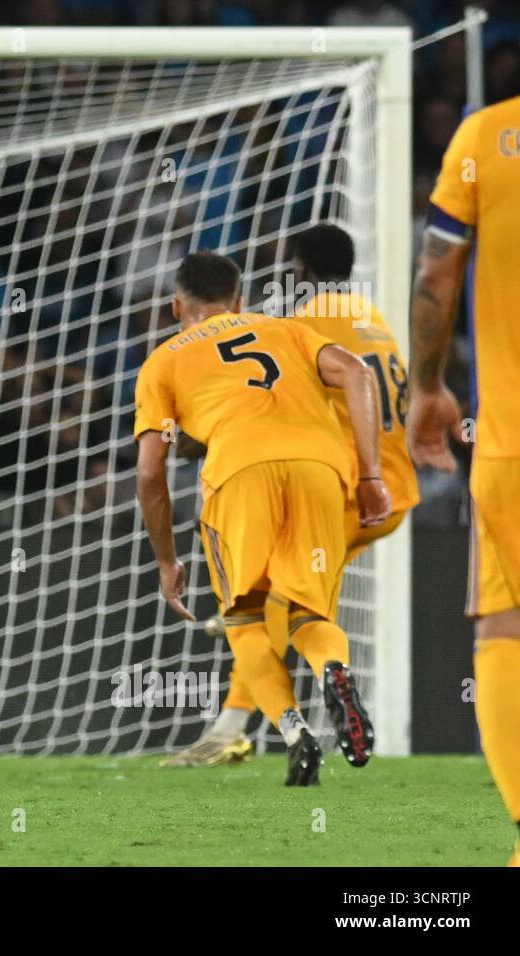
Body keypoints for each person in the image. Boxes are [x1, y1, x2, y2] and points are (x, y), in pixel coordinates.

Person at [165, 224, 419, 767]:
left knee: (261, 609)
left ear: (298, 270)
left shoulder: (296, 326)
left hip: (345, 489)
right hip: (394, 492)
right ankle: (235, 726)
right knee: (277, 604)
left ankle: (237, 729)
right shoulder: (370, 320)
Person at [406, 93, 520, 865]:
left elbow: (439, 269)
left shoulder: (488, 135)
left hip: (513, 435)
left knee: (506, 625)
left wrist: (427, 386)